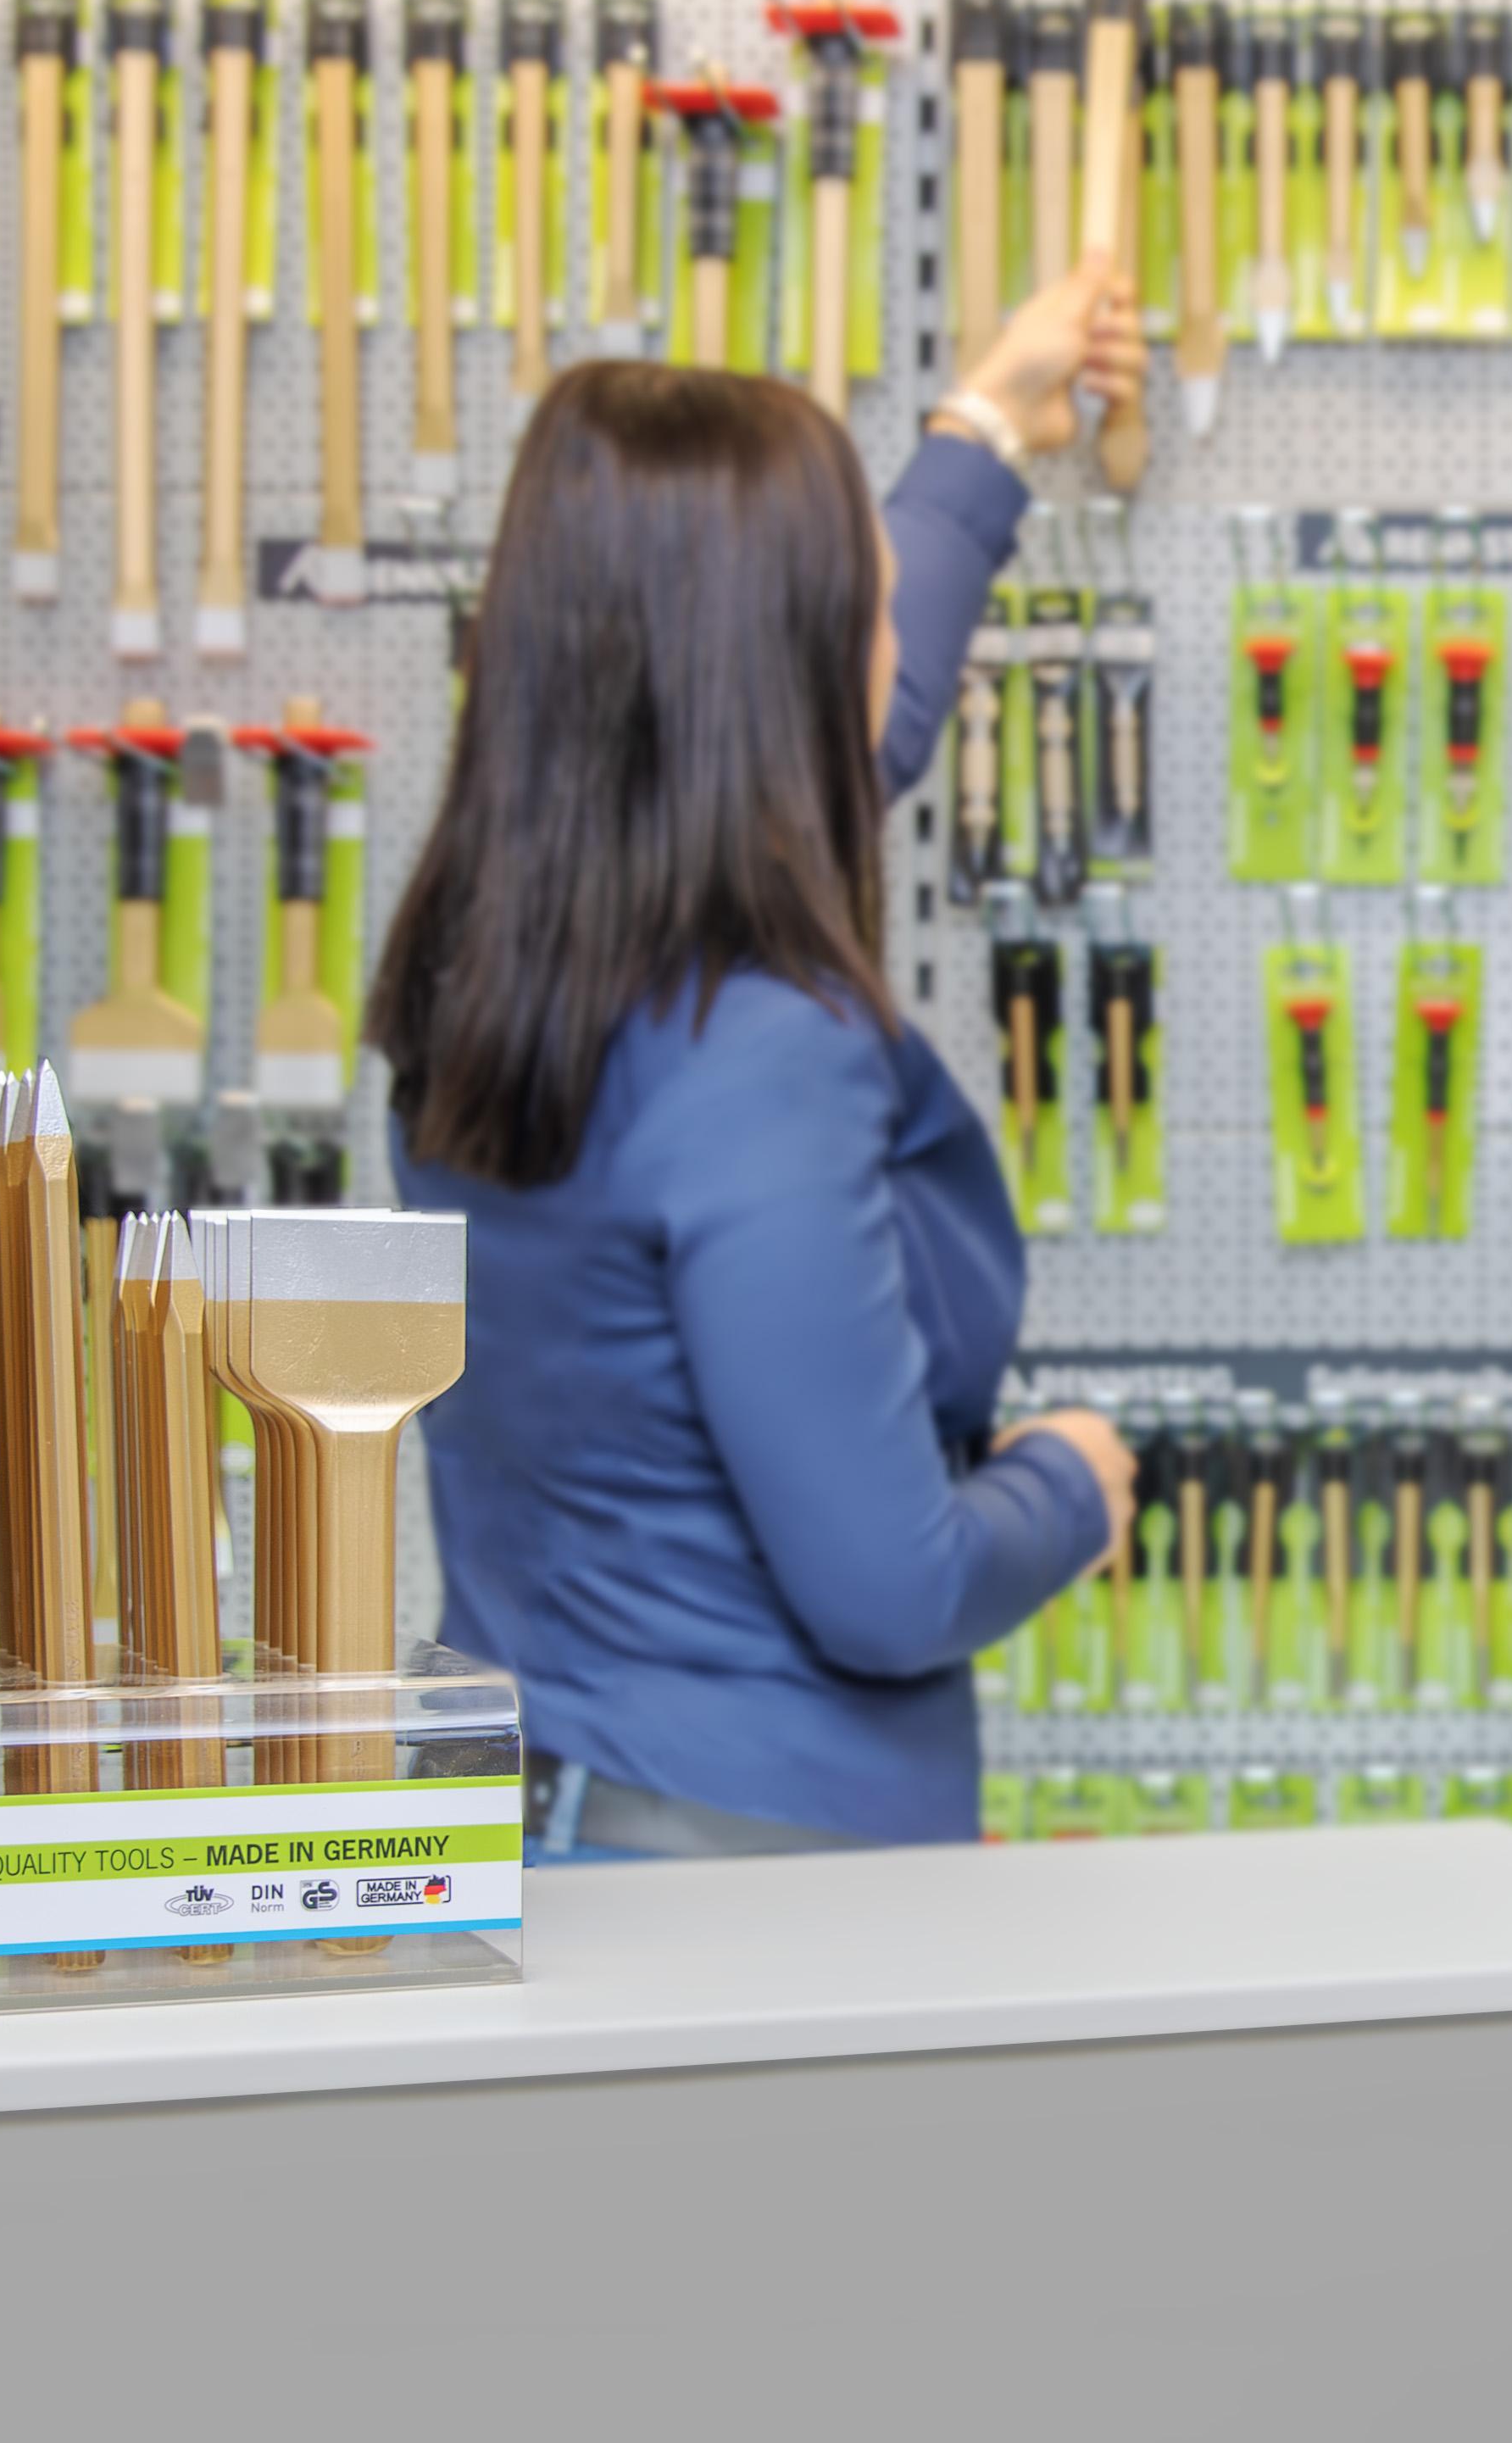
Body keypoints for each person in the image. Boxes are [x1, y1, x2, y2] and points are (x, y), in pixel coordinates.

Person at [372, 257, 1149, 1858]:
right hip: (744, 1889)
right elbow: (892, 1585)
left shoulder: (496, 972)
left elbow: (864, 731)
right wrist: (1069, 1485)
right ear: (768, 679)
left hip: (544, 1833)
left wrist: (988, 427)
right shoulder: (761, 1056)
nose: (888, 649)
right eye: (860, 611)